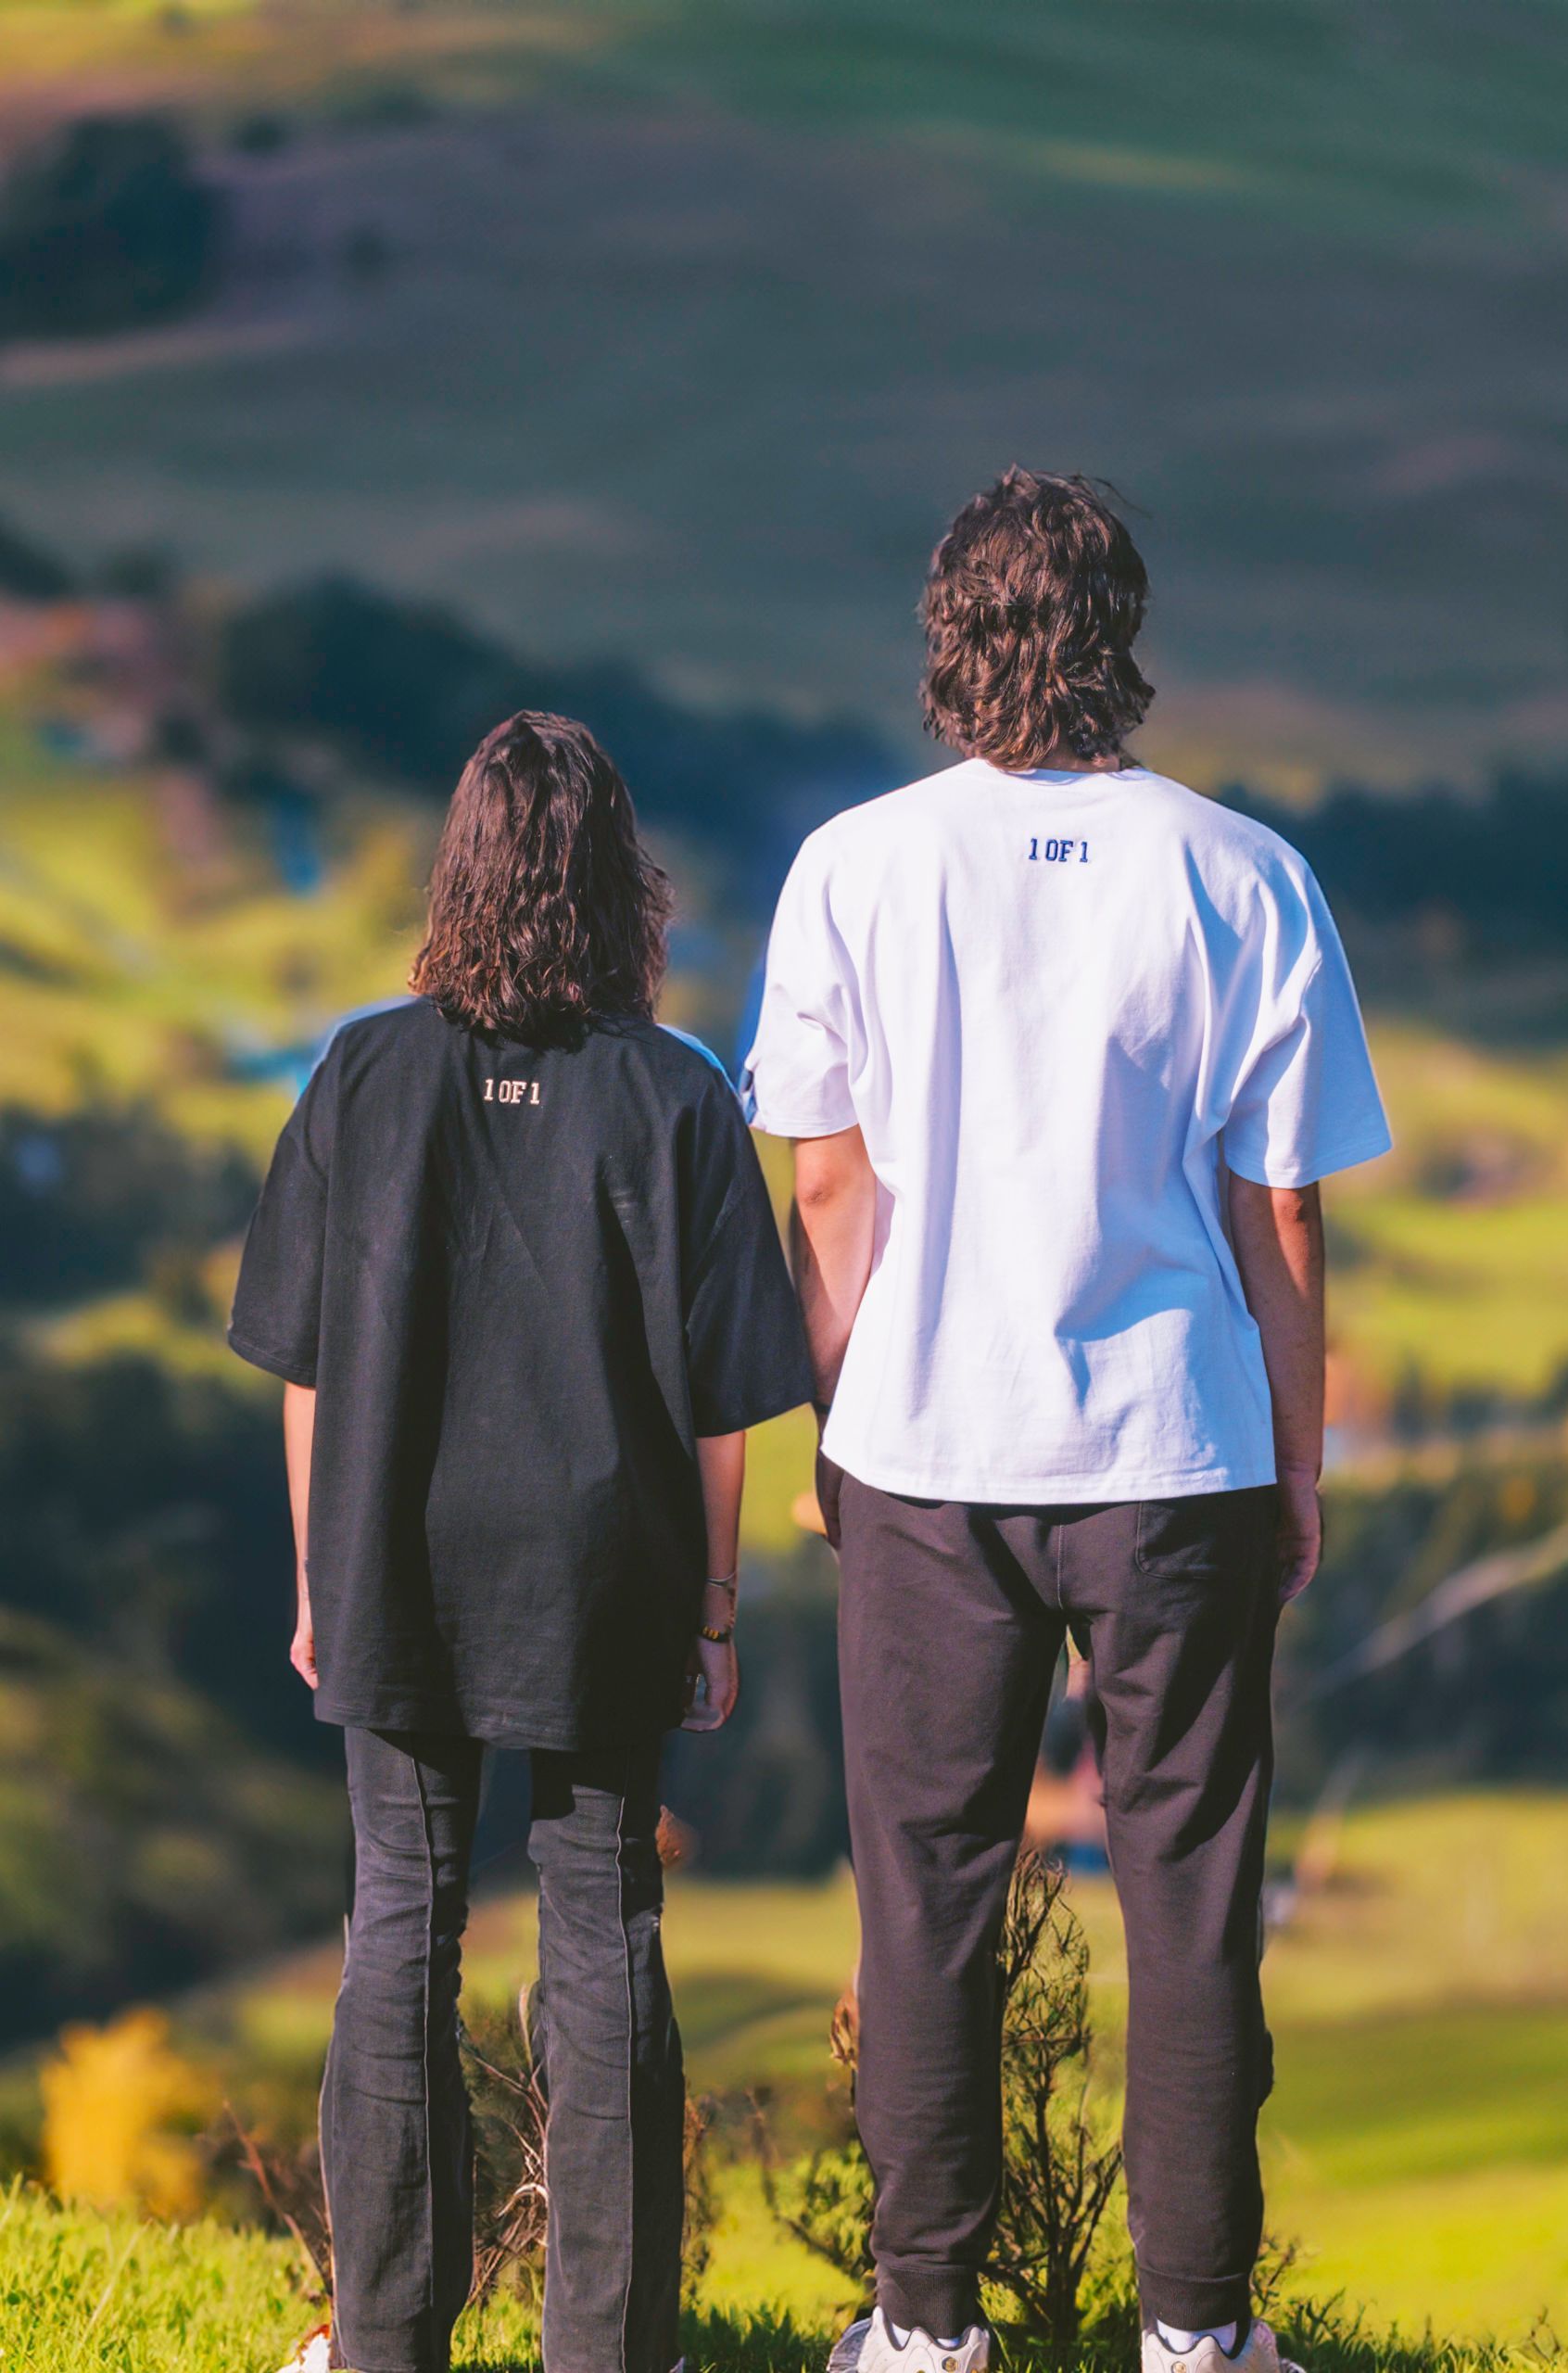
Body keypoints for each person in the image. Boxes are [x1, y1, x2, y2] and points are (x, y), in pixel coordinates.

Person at [742, 470, 1392, 2373]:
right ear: (1118, 639)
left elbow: (829, 1189)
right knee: (1192, 1895)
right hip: (1177, 1450)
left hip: (923, 1450)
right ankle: (1198, 2333)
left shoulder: (852, 866)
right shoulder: (1246, 873)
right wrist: (1297, 1459)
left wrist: (833, 1425)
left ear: (952, 637)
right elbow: (1282, 1210)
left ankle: (922, 2328)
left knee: (924, 1893)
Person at [230, 711, 812, 2373]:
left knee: (398, 1921)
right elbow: (722, 1412)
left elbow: (305, 1365)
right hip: (608, 1567)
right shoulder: (677, 1095)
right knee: (604, 1927)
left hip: (394, 1548)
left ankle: (384, 2339)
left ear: (460, 873)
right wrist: (712, 1612)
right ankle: (609, 2350)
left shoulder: (360, 1074)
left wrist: (319, 1573)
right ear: (623, 884)